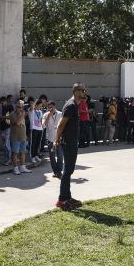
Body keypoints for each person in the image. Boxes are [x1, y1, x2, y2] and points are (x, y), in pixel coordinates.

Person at [54, 83, 85, 211]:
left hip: (71, 142)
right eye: (82, 90)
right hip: (68, 143)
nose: (84, 92)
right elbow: (61, 125)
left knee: (69, 170)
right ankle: (62, 200)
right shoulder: (71, 105)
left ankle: (68, 197)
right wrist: (56, 140)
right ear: (76, 91)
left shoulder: (74, 105)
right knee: (67, 171)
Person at [10, 101, 32, 175]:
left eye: (22, 107)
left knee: (23, 152)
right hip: (15, 137)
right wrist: (23, 115)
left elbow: (23, 125)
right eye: (19, 107)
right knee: (15, 153)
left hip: (22, 136)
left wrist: (25, 135)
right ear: (16, 107)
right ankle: (15, 168)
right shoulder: (12, 114)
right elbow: (17, 123)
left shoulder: (22, 114)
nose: (21, 109)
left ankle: (22, 167)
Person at [43, 101, 64, 178]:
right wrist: (49, 116)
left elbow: (63, 125)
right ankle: (56, 172)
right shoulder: (45, 115)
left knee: (60, 155)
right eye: (49, 108)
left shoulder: (60, 114)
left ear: (55, 106)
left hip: (59, 138)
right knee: (52, 157)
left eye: (52, 107)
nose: (50, 109)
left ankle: (59, 171)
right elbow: (43, 126)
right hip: (50, 139)